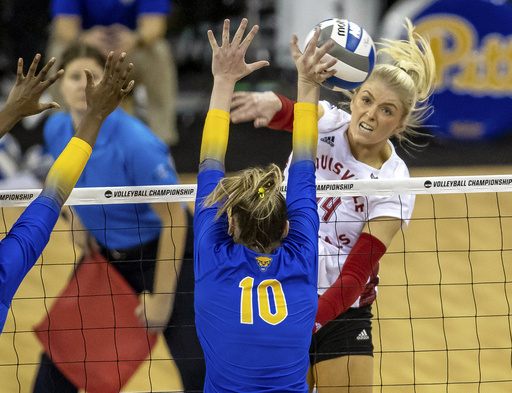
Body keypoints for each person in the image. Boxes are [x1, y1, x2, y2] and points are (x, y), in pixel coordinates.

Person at [230, 19, 436, 392]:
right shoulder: (330, 123)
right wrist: (269, 102)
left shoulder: (394, 180)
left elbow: (358, 272)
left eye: (387, 110)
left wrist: (311, 320)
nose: (371, 114)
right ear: (354, 98)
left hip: (342, 310)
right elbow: (293, 112)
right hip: (279, 290)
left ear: (401, 124)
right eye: (367, 100)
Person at [32, 43, 204, 393]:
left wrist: (161, 300)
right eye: (74, 77)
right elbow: (71, 177)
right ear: (60, 86)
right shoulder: (55, 130)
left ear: (109, 86)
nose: (84, 85)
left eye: (92, 77)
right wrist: (78, 218)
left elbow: (175, 219)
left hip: (166, 257)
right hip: (108, 259)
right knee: (54, 374)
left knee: (199, 374)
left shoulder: (136, 142)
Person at [194, 18, 338, 392]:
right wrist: (308, 85)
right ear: (288, 229)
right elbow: (306, 165)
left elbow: (211, 160)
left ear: (229, 227)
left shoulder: (215, 259)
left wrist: (223, 79)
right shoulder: (302, 258)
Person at [0, 51, 134, 334]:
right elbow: (55, 192)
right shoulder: (6, 269)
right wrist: (96, 114)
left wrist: (11, 112)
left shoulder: (134, 141)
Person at [46, 0, 179, 145]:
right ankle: (60, 133)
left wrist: (135, 38)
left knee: (158, 50)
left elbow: (155, 26)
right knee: (58, 51)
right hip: (87, 54)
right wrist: (85, 38)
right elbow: (64, 27)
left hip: (129, 53)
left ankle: (162, 140)